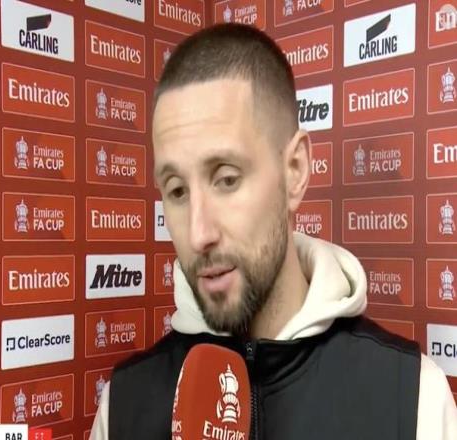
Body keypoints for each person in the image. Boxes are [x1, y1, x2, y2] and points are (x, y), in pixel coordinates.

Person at [90, 23, 457, 439]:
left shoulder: (413, 398)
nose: (198, 234)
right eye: (176, 190)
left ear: (295, 171)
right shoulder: (124, 404)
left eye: (226, 179)